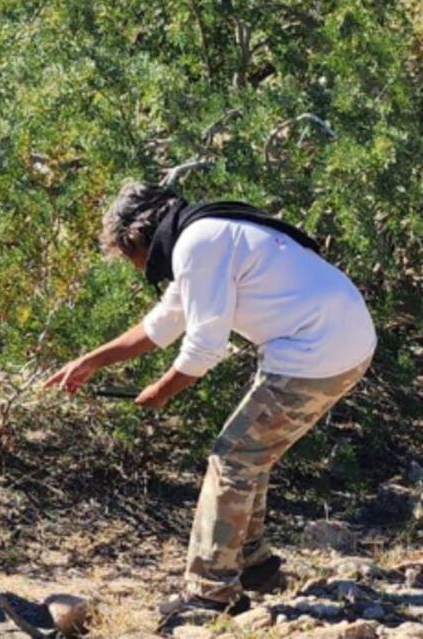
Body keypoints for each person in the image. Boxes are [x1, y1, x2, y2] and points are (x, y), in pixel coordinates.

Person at [45, 182, 376, 616]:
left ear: (135, 238)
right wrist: (89, 362)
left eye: (128, 257)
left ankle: (209, 593)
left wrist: (160, 392)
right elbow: (162, 324)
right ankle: (251, 563)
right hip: (338, 344)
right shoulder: (203, 234)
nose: (135, 267)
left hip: (318, 351)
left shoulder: (198, 244)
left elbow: (204, 347)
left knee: (233, 458)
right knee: (250, 455)